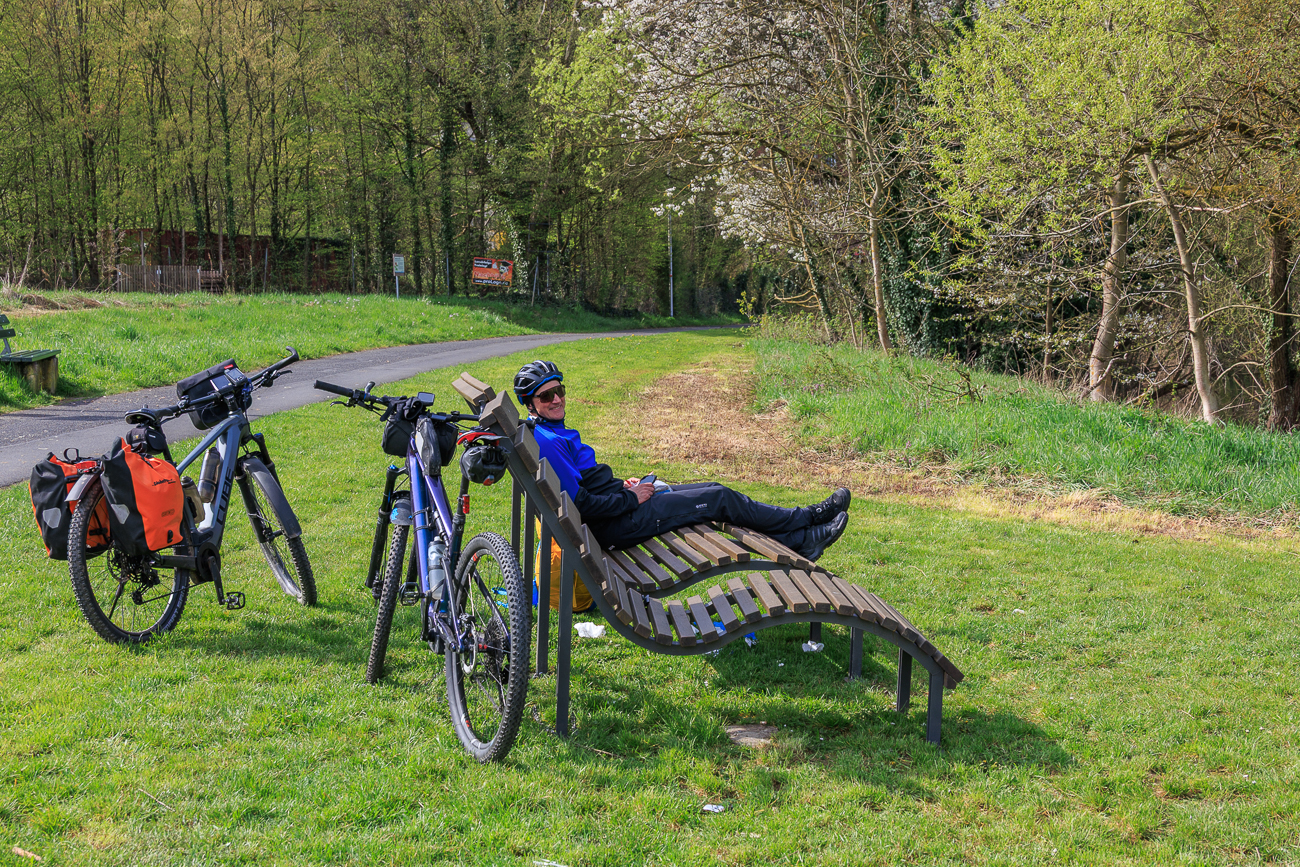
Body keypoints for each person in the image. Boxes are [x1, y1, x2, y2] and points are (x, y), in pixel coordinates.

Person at [513, 360, 850, 559]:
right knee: (717, 499)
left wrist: (624, 488)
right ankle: (806, 522)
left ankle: (799, 537)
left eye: (560, 391)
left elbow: (586, 484)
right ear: (530, 404)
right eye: (546, 396)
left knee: (717, 490)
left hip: (621, 507)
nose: (556, 399)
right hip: (618, 523)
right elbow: (581, 505)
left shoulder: (547, 431)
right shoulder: (549, 441)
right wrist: (629, 498)